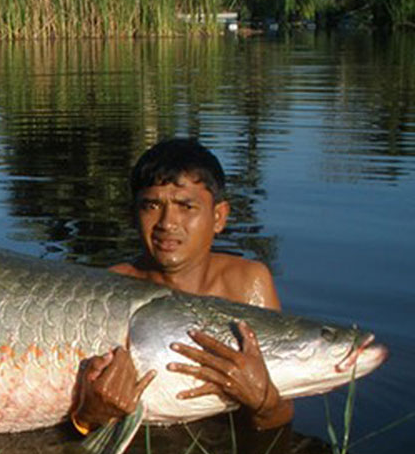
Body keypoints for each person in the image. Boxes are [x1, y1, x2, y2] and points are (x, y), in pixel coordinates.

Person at [71, 137, 293, 434]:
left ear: (219, 217)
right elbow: (82, 418)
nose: (167, 222)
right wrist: (90, 416)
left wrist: (265, 403)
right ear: (132, 215)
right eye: (151, 205)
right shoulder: (113, 286)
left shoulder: (248, 281)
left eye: (186, 206)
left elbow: (282, 410)